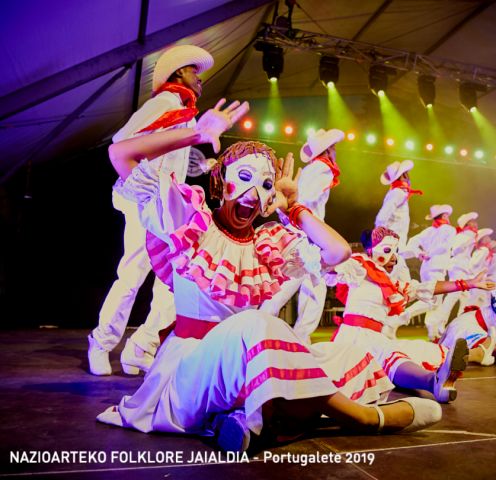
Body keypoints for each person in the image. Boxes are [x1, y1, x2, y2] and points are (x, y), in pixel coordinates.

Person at [96, 101, 442, 452]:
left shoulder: (267, 243)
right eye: (244, 178)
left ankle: (237, 420)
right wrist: (197, 134)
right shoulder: (189, 219)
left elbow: (337, 253)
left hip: (244, 366)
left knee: (344, 353)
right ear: (222, 182)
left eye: (265, 185)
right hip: (192, 371)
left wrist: (294, 208)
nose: (254, 193)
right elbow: (120, 153)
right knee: (256, 324)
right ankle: (363, 418)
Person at [88, 45, 214, 376]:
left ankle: (141, 346)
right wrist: (145, 186)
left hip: (169, 205)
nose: (199, 79)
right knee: (132, 275)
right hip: (146, 201)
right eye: (194, 72)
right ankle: (101, 343)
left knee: (176, 282)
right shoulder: (163, 105)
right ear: (179, 73)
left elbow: (170, 162)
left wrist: (202, 166)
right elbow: (123, 141)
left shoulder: (186, 115)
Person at [328, 226, 496, 402]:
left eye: (395, 251)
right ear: (371, 250)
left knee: (416, 350)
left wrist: (468, 283)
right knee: (389, 356)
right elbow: (332, 264)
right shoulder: (358, 266)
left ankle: (456, 366)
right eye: (387, 251)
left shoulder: (391, 283)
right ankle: (434, 382)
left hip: (375, 337)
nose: (394, 257)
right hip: (353, 337)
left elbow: (426, 288)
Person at [260, 128, 344, 344]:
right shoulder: (321, 170)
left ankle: (299, 338)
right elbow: (305, 201)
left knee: (314, 285)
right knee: (290, 280)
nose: (335, 152)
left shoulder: (313, 169)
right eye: (333, 148)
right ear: (328, 150)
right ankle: (261, 326)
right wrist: (310, 230)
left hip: (305, 233)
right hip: (306, 235)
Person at [404, 204, 457, 338]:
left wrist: (419, 253)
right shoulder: (449, 230)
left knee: (435, 303)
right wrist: (427, 253)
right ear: (444, 216)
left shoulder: (428, 231)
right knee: (432, 301)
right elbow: (446, 247)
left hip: (426, 268)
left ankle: (433, 334)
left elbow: (412, 242)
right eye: (447, 215)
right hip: (437, 268)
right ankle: (406, 314)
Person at [375, 160, 422, 282]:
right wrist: (383, 239)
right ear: (403, 176)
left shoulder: (399, 193)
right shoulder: (397, 193)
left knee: (405, 286)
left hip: (397, 248)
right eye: (407, 174)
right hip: (393, 246)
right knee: (390, 283)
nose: (409, 177)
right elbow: (381, 218)